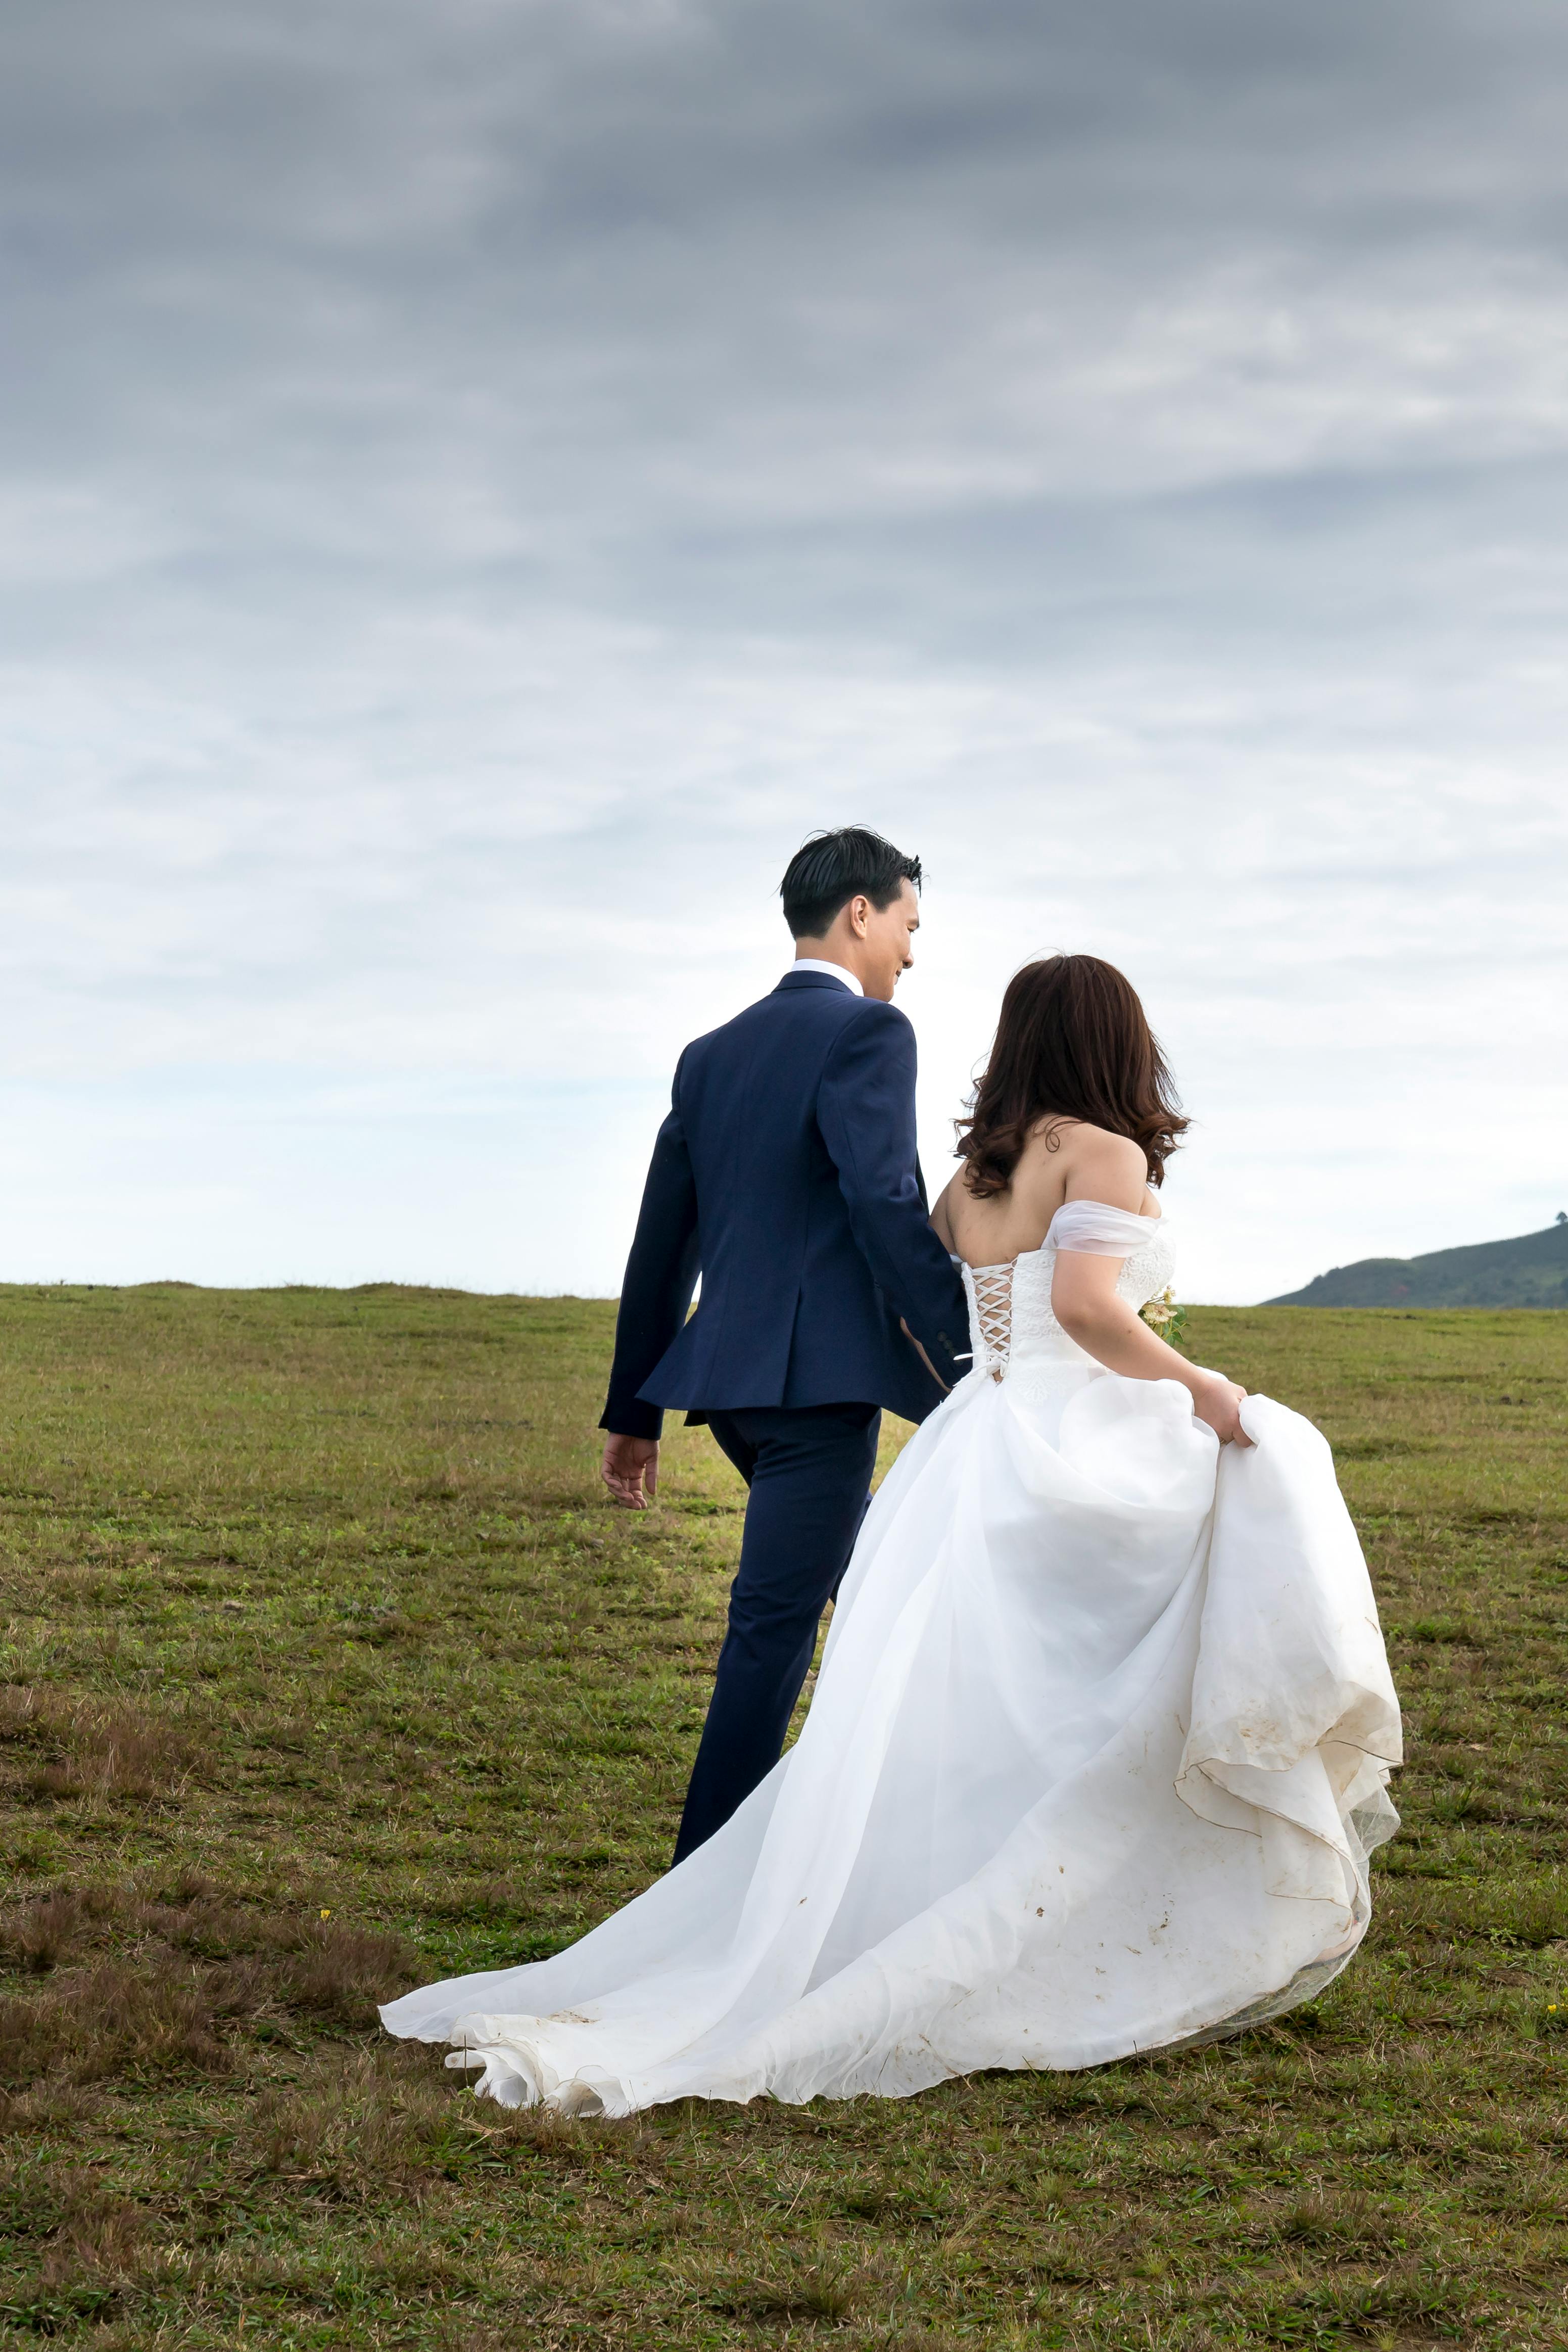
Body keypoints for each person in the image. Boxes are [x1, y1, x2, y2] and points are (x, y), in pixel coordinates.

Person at [383, 949, 1405, 2116]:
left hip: (979, 1436)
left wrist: (1002, 1389)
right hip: (1085, 1430)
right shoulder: (1107, 1152)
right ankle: (1129, 1893)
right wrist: (1200, 1389)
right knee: (1255, 1489)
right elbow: (1083, 1305)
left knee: (979, 1699)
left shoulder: (972, 1180)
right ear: (1118, 1040)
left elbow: (937, 1309)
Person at [594, 826, 977, 1860]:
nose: (911, 949)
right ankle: (700, 1899)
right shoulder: (870, 1037)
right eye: (908, 922)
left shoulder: (710, 1054)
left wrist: (635, 1414)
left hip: (737, 1398)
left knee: (885, 1614)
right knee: (770, 1641)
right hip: (816, 1398)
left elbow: (660, 1242)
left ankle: (880, 1851)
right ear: (862, 912)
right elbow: (883, 1205)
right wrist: (975, 1358)